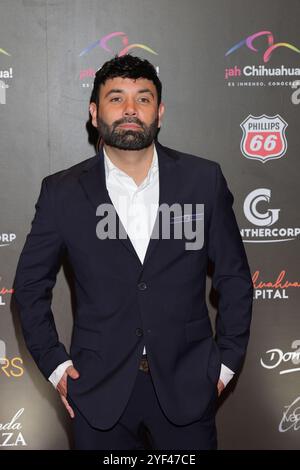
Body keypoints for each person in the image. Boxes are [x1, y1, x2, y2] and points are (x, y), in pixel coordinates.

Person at [13, 54, 253, 450]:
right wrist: (56, 366)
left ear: (159, 112)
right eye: (116, 98)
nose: (129, 109)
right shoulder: (62, 192)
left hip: (189, 384)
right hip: (97, 390)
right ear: (95, 113)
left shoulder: (202, 180)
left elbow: (235, 279)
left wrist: (226, 364)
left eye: (142, 99)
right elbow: (29, 285)